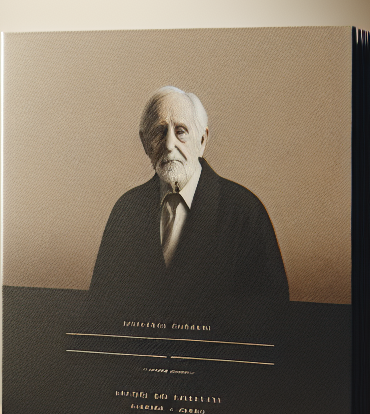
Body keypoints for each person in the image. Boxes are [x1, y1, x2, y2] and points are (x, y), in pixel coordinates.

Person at [89, 86, 289, 311]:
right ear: (145, 143)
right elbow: (102, 310)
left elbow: (271, 316)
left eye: (181, 131)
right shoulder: (126, 211)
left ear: (202, 141)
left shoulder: (245, 212)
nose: (169, 144)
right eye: (160, 131)